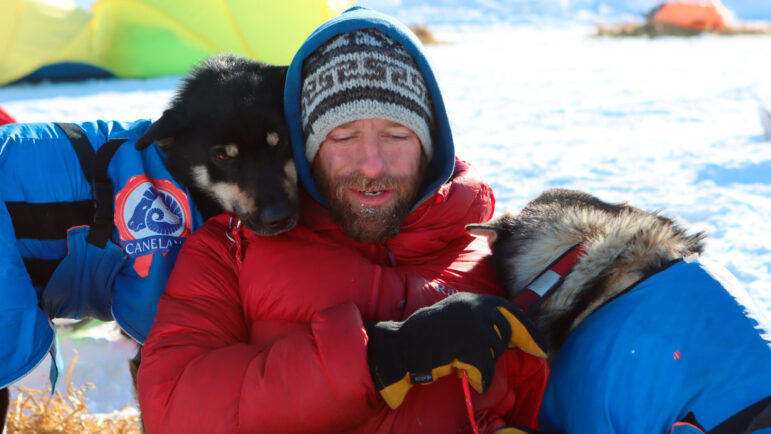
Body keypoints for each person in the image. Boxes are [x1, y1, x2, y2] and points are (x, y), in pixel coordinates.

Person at [137, 7, 549, 433]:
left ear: (432, 145)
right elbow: (173, 410)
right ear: (307, 145)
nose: (371, 164)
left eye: (397, 135)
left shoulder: (489, 248)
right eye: (343, 136)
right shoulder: (228, 253)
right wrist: (383, 356)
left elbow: (552, 398)